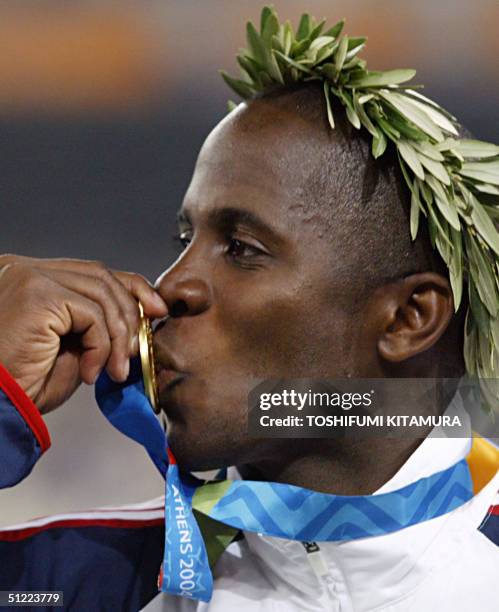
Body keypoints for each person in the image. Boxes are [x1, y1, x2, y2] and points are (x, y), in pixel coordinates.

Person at [0, 9, 498, 612]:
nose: (171, 286)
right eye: (186, 241)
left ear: (406, 318)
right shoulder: (72, 583)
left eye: (241, 248)